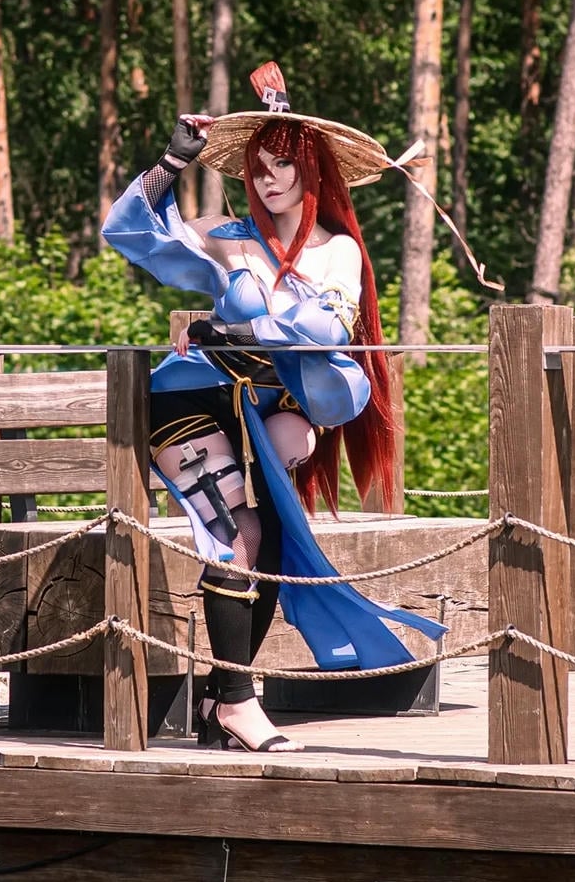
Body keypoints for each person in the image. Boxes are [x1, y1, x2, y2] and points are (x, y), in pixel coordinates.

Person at [101, 62, 444, 752]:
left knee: (279, 540)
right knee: (239, 533)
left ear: (311, 170)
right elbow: (130, 233)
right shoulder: (227, 236)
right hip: (189, 395)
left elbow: (323, 331)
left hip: (265, 404)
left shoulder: (338, 253)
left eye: (282, 164)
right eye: (258, 168)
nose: (267, 179)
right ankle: (237, 703)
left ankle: (217, 699)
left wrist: (236, 328)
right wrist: (173, 161)